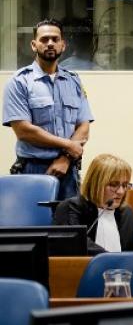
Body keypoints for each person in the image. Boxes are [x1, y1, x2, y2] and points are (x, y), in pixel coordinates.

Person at [3, 19, 94, 200]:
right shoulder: (20, 81)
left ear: (63, 45)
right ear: (34, 45)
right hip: (33, 170)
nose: (50, 43)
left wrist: (65, 158)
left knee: (69, 226)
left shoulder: (73, 80)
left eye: (55, 39)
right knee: (33, 226)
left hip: (68, 170)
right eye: (44, 39)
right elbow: (24, 131)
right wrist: (68, 145)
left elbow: (83, 126)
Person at [53, 153, 133, 254]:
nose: (121, 191)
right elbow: (75, 244)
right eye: (114, 185)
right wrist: (112, 259)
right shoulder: (71, 208)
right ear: (96, 184)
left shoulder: (127, 213)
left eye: (125, 185)